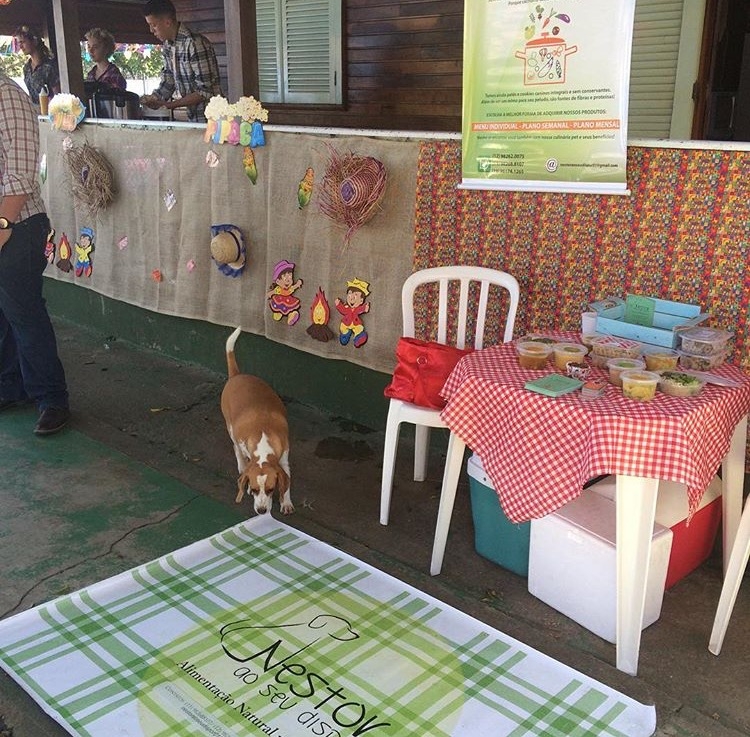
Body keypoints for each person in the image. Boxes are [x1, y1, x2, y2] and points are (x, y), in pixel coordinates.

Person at [0, 69, 71, 435]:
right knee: (4, 313)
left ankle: (51, 398)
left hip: (18, 226)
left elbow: (21, 174)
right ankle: (11, 387)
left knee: (24, 313)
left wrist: (3, 226)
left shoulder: (8, 97)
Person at [140, 0, 222, 122]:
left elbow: (205, 91)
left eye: (154, 25)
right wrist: (153, 98)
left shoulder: (195, 43)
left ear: (167, 22)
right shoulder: (168, 45)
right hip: (193, 118)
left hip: (213, 119)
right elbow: (168, 82)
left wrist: (169, 105)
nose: (151, 30)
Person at [13, 25, 60, 107]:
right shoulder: (26, 68)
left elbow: (57, 95)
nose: (20, 46)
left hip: (52, 112)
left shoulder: (50, 66)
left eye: (23, 42)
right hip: (35, 113)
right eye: (19, 43)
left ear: (34, 41)